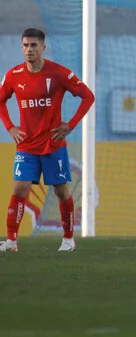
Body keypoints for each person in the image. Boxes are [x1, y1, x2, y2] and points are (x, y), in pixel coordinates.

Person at [0, 28, 96, 253]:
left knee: (61, 192)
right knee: (20, 188)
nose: (29, 49)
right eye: (25, 45)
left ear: (43, 47)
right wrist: (11, 127)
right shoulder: (13, 75)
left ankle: (68, 239)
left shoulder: (58, 73)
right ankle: (12, 241)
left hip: (53, 144)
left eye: (34, 45)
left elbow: (88, 96)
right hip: (26, 145)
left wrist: (70, 125)